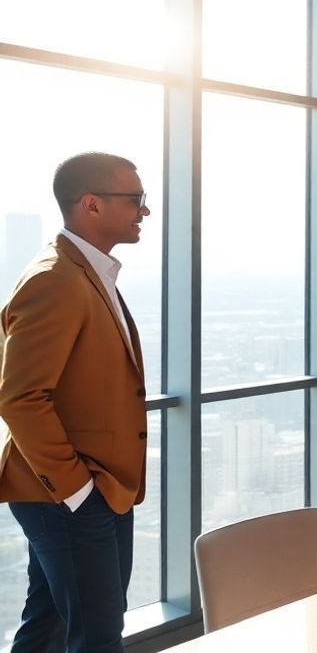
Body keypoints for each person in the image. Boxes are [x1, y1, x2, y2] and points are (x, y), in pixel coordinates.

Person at [0, 152, 151, 653]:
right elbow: (20, 397)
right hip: (68, 495)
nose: (144, 211)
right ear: (91, 204)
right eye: (135, 200)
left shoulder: (88, 273)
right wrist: (77, 491)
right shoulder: (54, 279)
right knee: (97, 637)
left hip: (90, 491)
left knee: (50, 625)